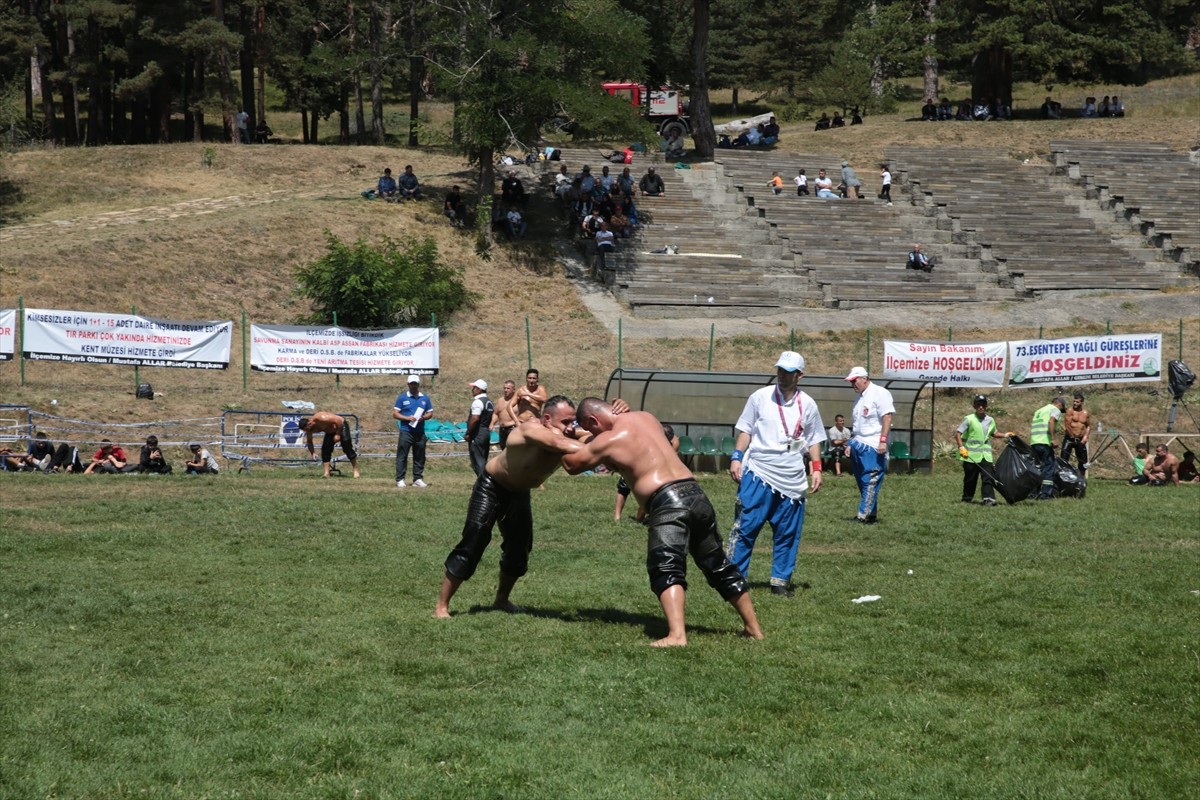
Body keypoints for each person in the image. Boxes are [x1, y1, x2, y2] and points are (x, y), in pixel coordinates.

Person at [564, 399, 764, 646]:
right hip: (696, 495)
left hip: (668, 503)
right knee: (718, 564)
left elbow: (571, 465)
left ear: (593, 421)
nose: (594, 435)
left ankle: (677, 635)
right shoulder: (647, 417)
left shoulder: (609, 439)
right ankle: (754, 629)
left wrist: (557, 437)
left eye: (591, 429)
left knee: (666, 566)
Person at [434, 395, 587, 618]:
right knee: (475, 538)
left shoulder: (567, 433)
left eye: (573, 422)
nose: (571, 427)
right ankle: (441, 606)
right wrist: (599, 448)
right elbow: (558, 443)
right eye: (565, 422)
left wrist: (596, 438)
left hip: (519, 492)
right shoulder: (531, 429)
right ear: (546, 419)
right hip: (491, 486)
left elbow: (590, 436)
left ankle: (502, 599)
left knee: (519, 548)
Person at [726, 351, 825, 598]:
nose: (782, 375)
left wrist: (816, 468)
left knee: (788, 533)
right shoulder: (760, 397)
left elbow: (813, 439)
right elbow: (746, 430)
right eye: (780, 370)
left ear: (800, 375)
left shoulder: (808, 404)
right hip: (758, 471)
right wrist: (737, 457)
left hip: (791, 477)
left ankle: (780, 582)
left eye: (788, 372)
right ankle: (734, 578)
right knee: (746, 527)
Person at [844, 366, 894, 524]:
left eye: (855, 380)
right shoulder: (859, 398)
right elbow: (857, 424)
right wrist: (851, 443)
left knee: (870, 481)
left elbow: (887, 417)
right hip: (858, 444)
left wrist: (883, 440)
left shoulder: (880, 393)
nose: (853, 384)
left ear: (864, 378)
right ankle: (871, 514)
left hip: (873, 445)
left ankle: (863, 515)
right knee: (861, 481)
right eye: (851, 381)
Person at [615, 423, 678, 521]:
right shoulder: (645, 440)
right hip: (635, 463)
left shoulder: (673, 444)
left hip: (652, 469)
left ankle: (640, 518)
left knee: (649, 492)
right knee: (623, 487)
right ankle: (617, 516)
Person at [955, 395, 1007, 505]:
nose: (981, 407)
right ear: (974, 406)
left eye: (983, 405)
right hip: (970, 456)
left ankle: (988, 499)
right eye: (978, 405)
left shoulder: (990, 420)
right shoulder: (969, 419)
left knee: (988, 477)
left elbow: (994, 433)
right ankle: (967, 498)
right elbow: (958, 433)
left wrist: (1006, 435)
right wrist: (961, 447)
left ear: (986, 406)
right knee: (970, 479)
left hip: (985, 455)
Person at [394, 374, 433, 488]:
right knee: (402, 456)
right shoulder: (402, 398)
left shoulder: (424, 398)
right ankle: (400, 479)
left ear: (418, 384)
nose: (413, 386)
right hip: (406, 431)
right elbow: (395, 414)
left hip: (419, 432)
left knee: (420, 456)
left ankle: (418, 479)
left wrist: (423, 418)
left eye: (415, 384)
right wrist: (407, 418)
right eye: (411, 384)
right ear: (408, 384)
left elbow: (430, 413)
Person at [297, 412, 360, 479]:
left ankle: (355, 470)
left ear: (309, 422)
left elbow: (338, 420)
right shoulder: (309, 429)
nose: (308, 430)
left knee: (347, 447)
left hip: (341, 425)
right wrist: (313, 453)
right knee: (325, 449)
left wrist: (338, 434)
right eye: (306, 430)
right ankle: (326, 473)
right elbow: (309, 442)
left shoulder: (321, 417)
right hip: (330, 431)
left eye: (307, 428)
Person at [1029, 395, 1066, 499]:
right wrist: (1053, 438)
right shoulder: (1055, 409)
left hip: (1034, 442)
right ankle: (1045, 494)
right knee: (1049, 467)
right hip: (1045, 442)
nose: (1061, 411)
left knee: (1036, 468)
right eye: (1062, 408)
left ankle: (1033, 493)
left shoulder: (1039, 411)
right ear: (1059, 404)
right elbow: (1051, 421)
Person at [466, 379, 495, 477]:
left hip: (477, 433)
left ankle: (484, 482)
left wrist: (468, 433)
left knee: (477, 461)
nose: (472, 390)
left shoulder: (477, 402)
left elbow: (475, 418)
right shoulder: (489, 402)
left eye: (474, 388)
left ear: (479, 389)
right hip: (486, 432)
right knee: (483, 459)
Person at [1060, 392, 1091, 478]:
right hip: (1069, 438)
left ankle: (1081, 478)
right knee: (1064, 459)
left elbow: (1088, 426)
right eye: (1074, 401)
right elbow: (1067, 425)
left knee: (1083, 461)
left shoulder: (1085, 413)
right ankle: (1063, 477)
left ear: (1082, 402)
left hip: (1080, 439)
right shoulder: (1070, 411)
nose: (1075, 403)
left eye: (1077, 402)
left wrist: (1085, 437)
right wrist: (1072, 436)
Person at [491, 380, 520, 449]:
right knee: (503, 449)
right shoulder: (500, 400)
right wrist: (492, 423)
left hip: (512, 428)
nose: (505, 390)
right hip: (502, 429)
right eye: (504, 388)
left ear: (513, 389)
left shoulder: (518, 402)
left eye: (508, 388)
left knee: (512, 449)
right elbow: (496, 413)